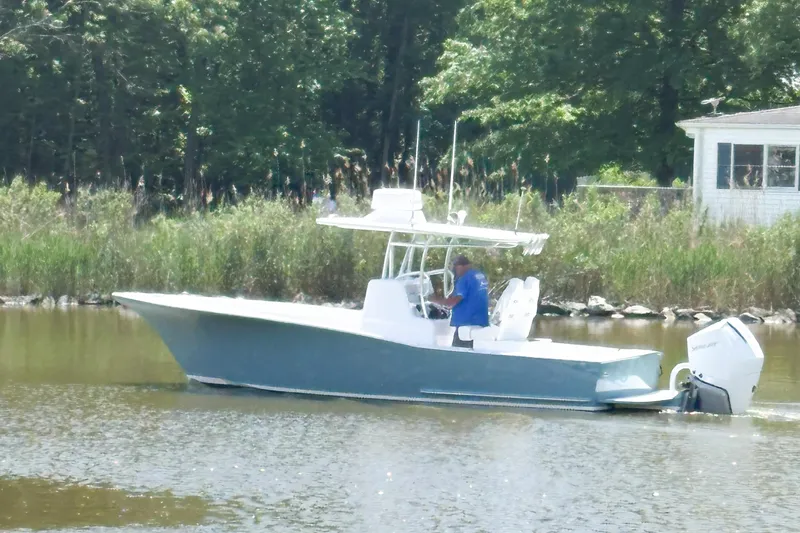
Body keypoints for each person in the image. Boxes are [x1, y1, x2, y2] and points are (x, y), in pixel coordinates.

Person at [429, 255, 489, 348]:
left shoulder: (464, 278)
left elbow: (452, 303)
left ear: (460, 266)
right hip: (481, 323)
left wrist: (434, 299)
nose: (455, 272)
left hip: (466, 325)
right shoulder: (479, 275)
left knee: (458, 357)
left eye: (455, 268)